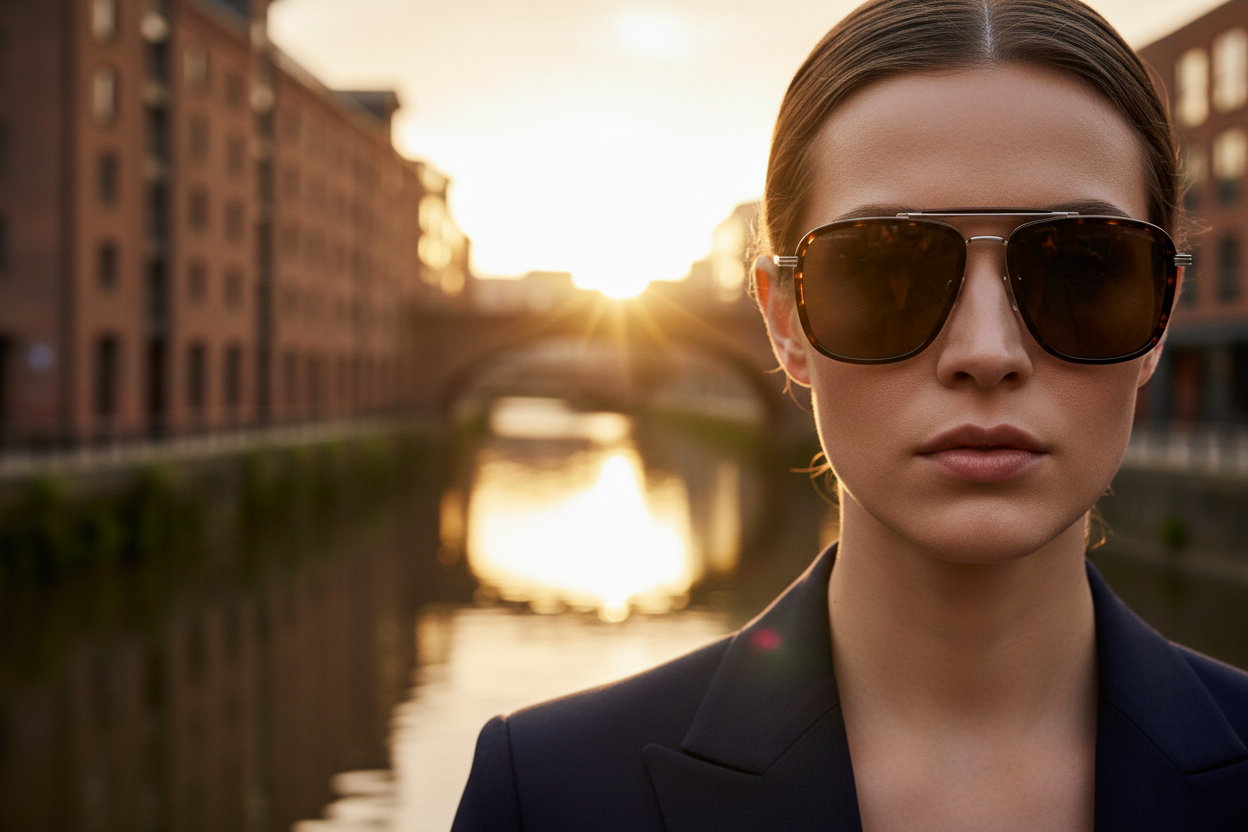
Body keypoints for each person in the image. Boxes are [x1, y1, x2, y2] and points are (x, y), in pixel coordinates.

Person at [451, 0, 1248, 828]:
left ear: (1161, 312)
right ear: (784, 321)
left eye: (1083, 266)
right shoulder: (548, 796)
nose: (985, 351)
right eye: (883, 269)